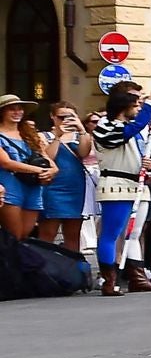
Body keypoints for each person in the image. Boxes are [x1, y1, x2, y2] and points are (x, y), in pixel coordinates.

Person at [90, 88, 151, 295]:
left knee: (134, 233)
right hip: (116, 183)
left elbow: (149, 154)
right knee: (111, 233)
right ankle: (109, 280)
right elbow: (127, 133)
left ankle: (136, 277)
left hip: (137, 185)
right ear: (124, 107)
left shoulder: (136, 130)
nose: (138, 110)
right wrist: (150, 104)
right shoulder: (105, 126)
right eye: (136, 106)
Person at [37, 101, 91, 252]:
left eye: (70, 116)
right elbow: (47, 158)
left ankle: (72, 270)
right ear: (52, 117)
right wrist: (57, 136)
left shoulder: (78, 136)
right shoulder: (43, 136)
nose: (65, 120)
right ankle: (44, 270)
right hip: (52, 188)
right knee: (48, 234)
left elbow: (84, 153)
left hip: (75, 188)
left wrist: (81, 130)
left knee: (73, 235)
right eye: (61, 116)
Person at [0, 94, 54, 239]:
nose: (17, 112)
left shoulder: (28, 133)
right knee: (13, 235)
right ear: (2, 112)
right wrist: (41, 170)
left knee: (25, 234)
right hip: (10, 186)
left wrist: (52, 171)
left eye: (20, 109)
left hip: (34, 187)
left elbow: (47, 158)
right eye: (12, 109)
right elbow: (6, 163)